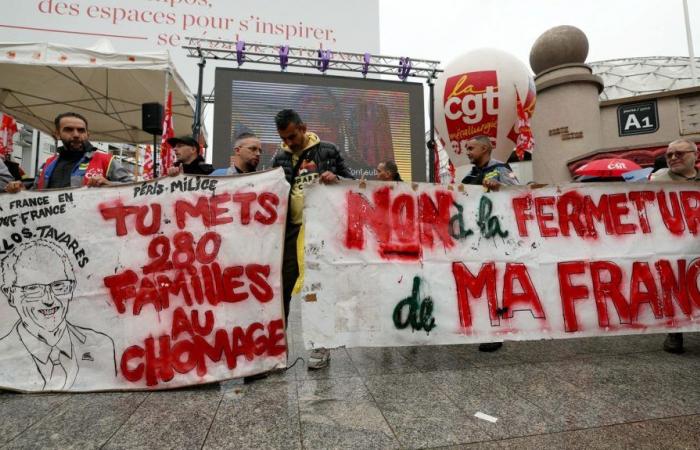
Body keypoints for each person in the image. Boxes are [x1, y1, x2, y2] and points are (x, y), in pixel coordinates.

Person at [272, 109, 353, 370]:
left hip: (321, 232)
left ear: (303, 127)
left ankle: (320, 347)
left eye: (293, 136)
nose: (290, 142)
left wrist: (337, 179)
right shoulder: (279, 156)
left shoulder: (328, 150)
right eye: (284, 138)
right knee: (281, 289)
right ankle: (276, 349)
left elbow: (351, 183)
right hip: (290, 232)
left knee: (317, 289)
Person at [0, 239, 116, 391]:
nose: (49, 300)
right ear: (10, 295)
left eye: (59, 286)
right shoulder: (3, 354)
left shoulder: (102, 345)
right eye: (33, 288)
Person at [461, 135, 520, 352]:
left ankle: (497, 332)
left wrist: (498, 187)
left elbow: (518, 192)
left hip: (497, 237)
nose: (467, 151)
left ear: (485, 148)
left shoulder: (501, 170)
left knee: (495, 283)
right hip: (476, 238)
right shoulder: (470, 177)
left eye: (471, 147)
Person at [651, 138, 699, 354]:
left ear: (695, 155)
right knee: (675, 286)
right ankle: (675, 332)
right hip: (674, 246)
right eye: (669, 155)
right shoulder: (658, 179)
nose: (672, 158)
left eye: (679, 154)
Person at [5, 112, 132, 193]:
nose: (76, 134)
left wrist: (109, 184)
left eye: (81, 130)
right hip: (53, 231)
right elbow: (37, 193)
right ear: (57, 134)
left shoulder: (105, 160)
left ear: (88, 134)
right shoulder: (48, 164)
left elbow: (132, 187)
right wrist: (21, 190)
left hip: (89, 231)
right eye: (69, 130)